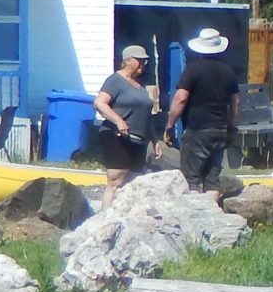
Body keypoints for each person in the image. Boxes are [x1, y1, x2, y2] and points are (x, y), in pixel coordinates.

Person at [165, 28, 242, 196]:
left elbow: (181, 99)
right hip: (219, 129)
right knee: (212, 179)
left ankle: (195, 217)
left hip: (197, 129)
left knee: (191, 178)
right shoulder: (228, 72)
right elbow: (235, 103)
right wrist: (231, 127)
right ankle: (213, 216)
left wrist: (169, 124)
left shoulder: (193, 69)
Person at [94, 44, 155, 188]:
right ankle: (108, 210)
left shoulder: (141, 85)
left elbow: (146, 114)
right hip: (117, 135)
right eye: (139, 60)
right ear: (127, 60)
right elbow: (100, 103)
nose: (143, 64)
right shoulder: (115, 80)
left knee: (134, 181)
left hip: (138, 139)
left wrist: (154, 140)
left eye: (145, 61)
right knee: (116, 179)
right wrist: (119, 121)